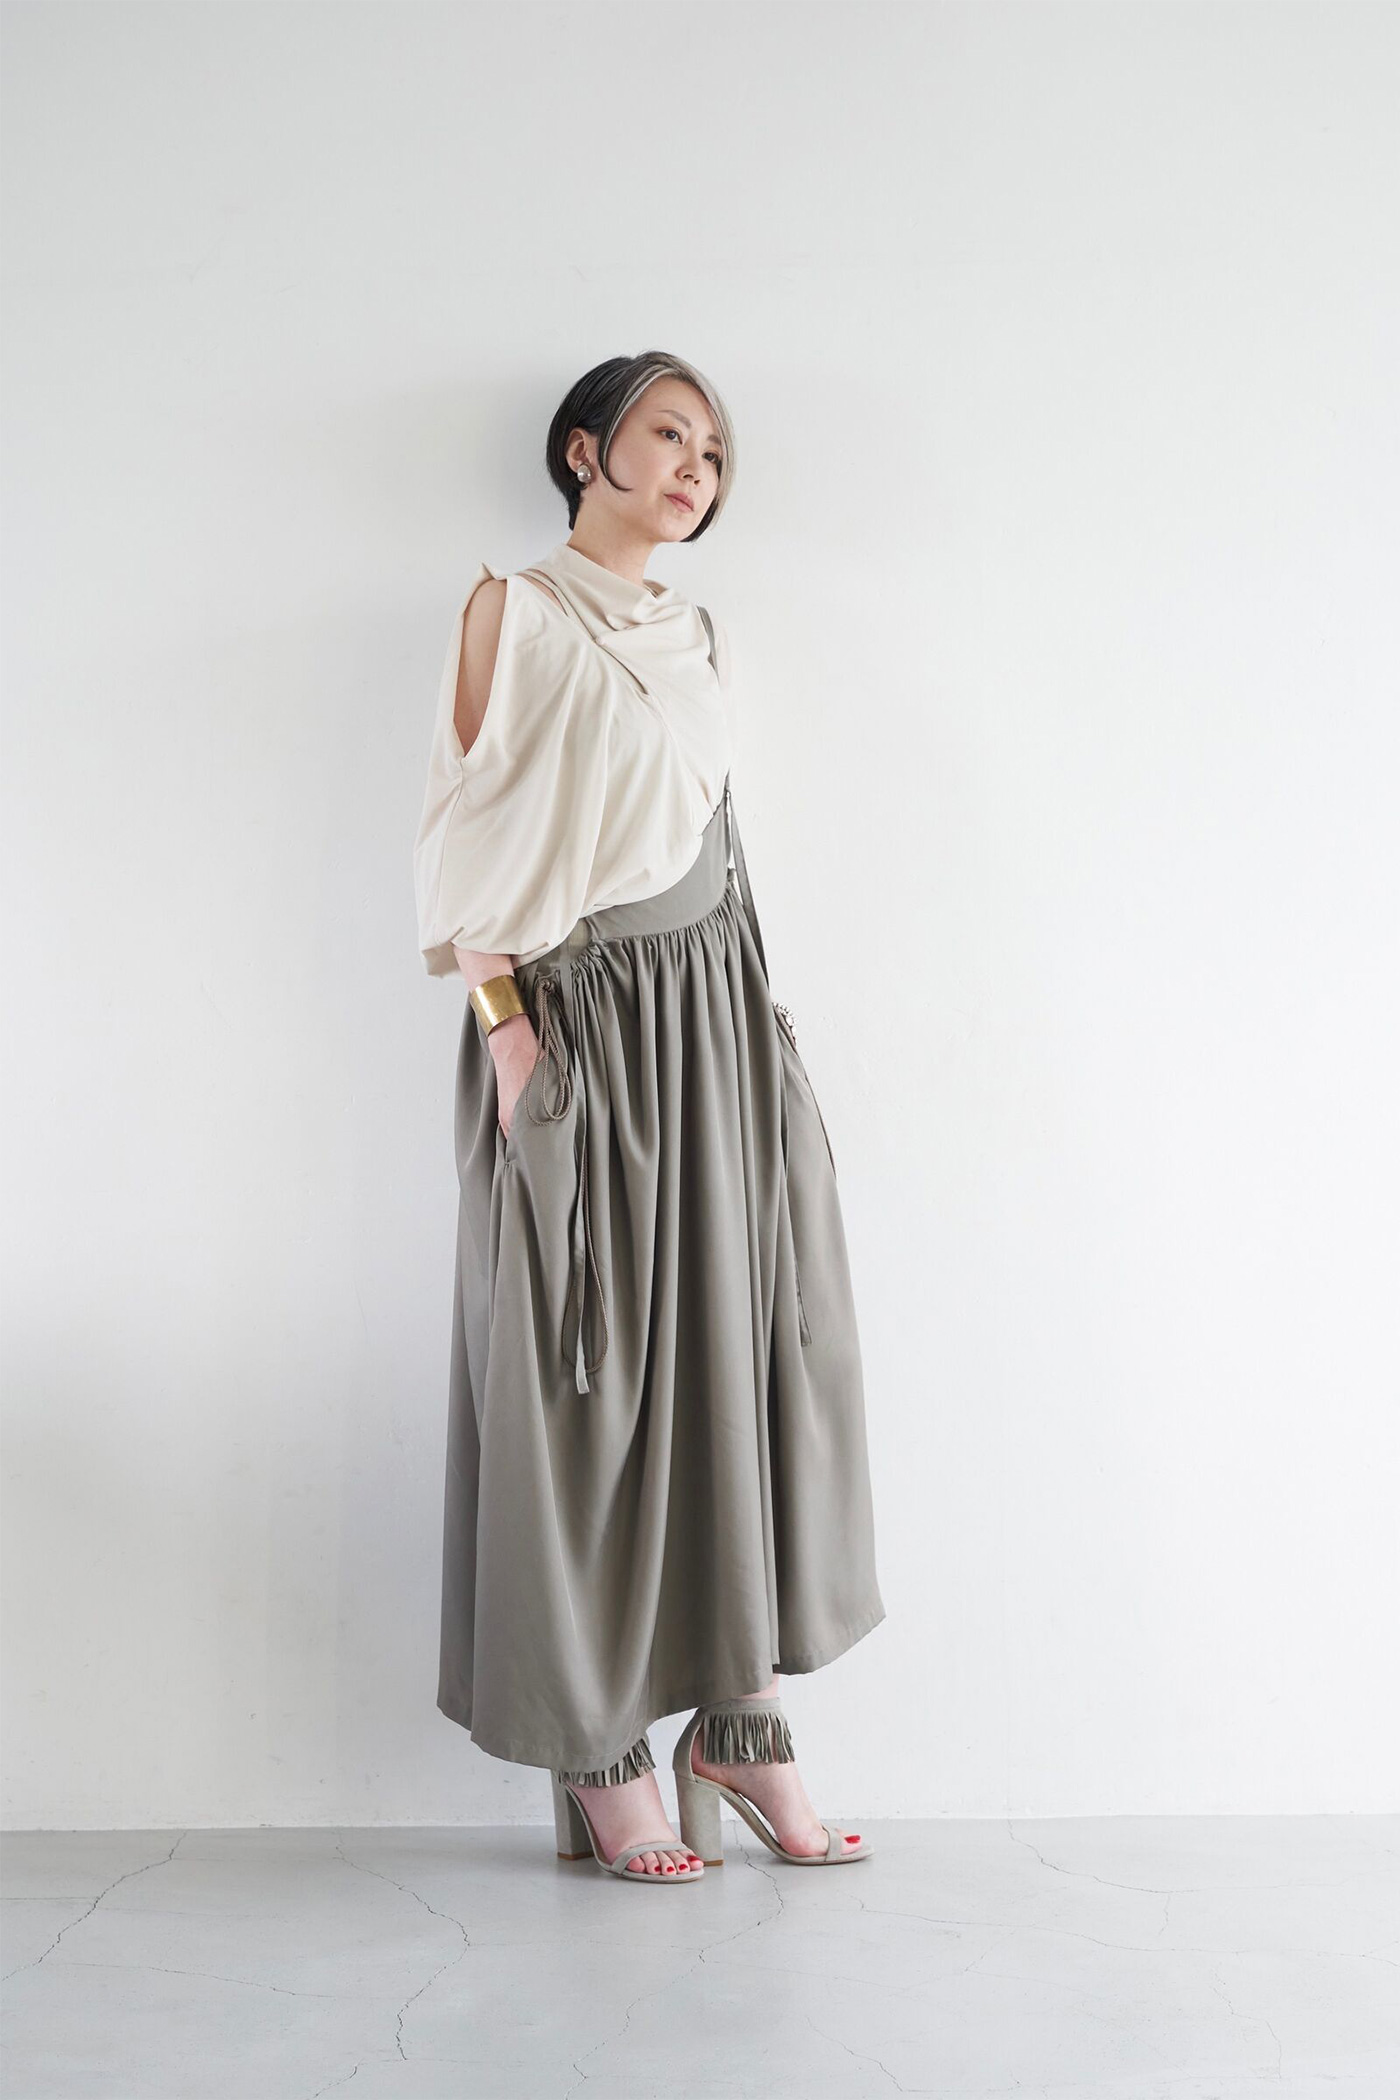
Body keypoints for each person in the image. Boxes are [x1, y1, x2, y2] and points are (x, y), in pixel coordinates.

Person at [413, 350, 885, 1883]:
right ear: (584, 450)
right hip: (579, 1023)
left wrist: (764, 1040)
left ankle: (740, 1725)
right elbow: (460, 832)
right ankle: (601, 1751)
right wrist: (509, 1038)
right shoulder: (517, 611)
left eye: (715, 452)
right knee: (585, 1381)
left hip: (715, 1021)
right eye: (668, 435)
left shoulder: (699, 631)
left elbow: (716, 838)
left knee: (735, 1360)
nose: (698, 467)